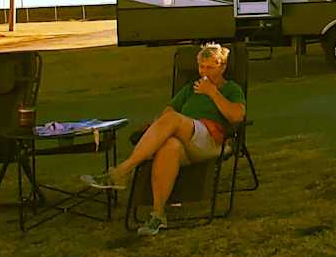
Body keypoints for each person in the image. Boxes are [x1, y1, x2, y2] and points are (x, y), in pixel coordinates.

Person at [82, 42, 246, 236]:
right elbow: (168, 111)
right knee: (169, 145)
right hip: (187, 142)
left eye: (210, 67)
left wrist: (212, 93)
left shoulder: (231, 89)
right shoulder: (190, 89)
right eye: (202, 66)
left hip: (212, 141)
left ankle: (123, 170)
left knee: (173, 120)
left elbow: (237, 117)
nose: (205, 71)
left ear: (223, 66)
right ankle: (158, 215)